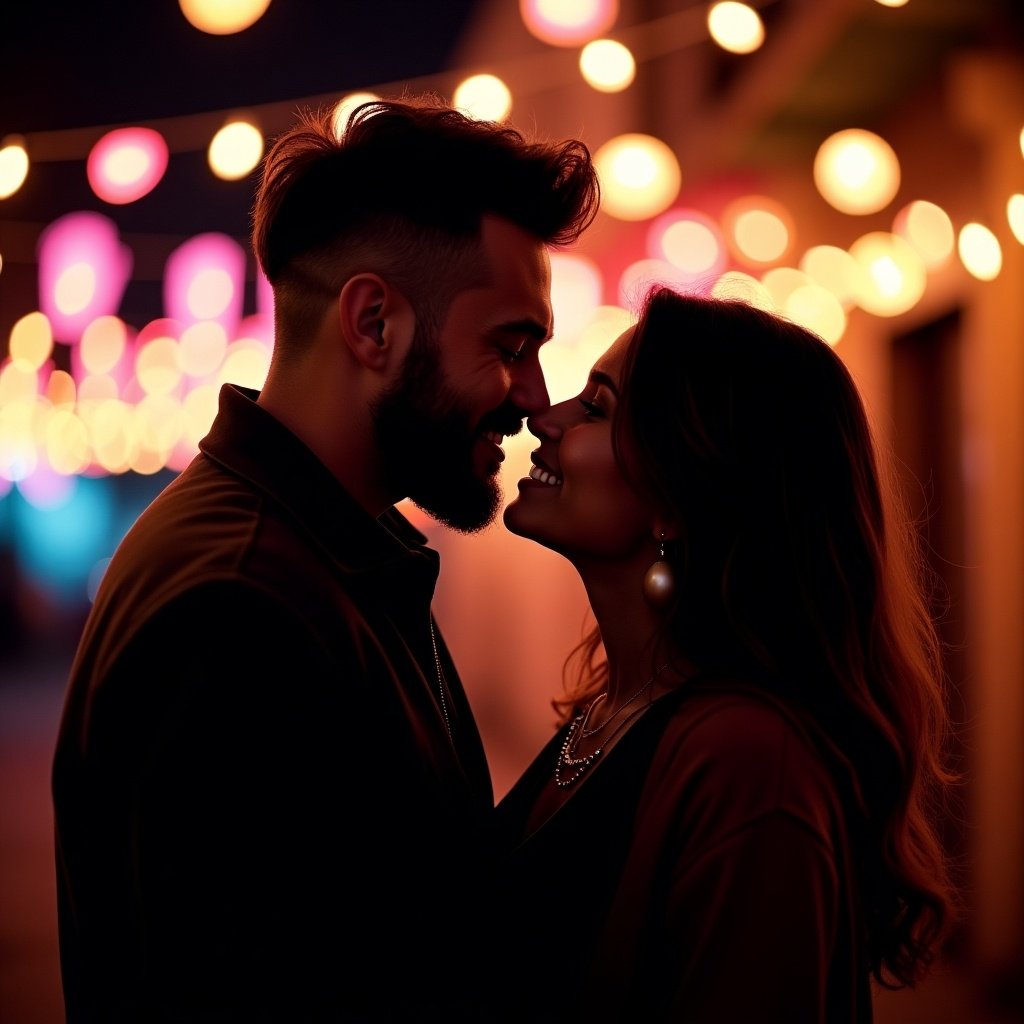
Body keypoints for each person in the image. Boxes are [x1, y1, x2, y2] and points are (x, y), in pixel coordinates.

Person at [51, 94, 599, 1023]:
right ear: (373, 324)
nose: (534, 399)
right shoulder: (238, 608)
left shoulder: (326, 556)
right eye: (510, 346)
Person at [493, 286, 959, 1023]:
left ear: (678, 494)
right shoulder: (613, 711)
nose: (542, 419)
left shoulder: (747, 764)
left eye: (596, 409)